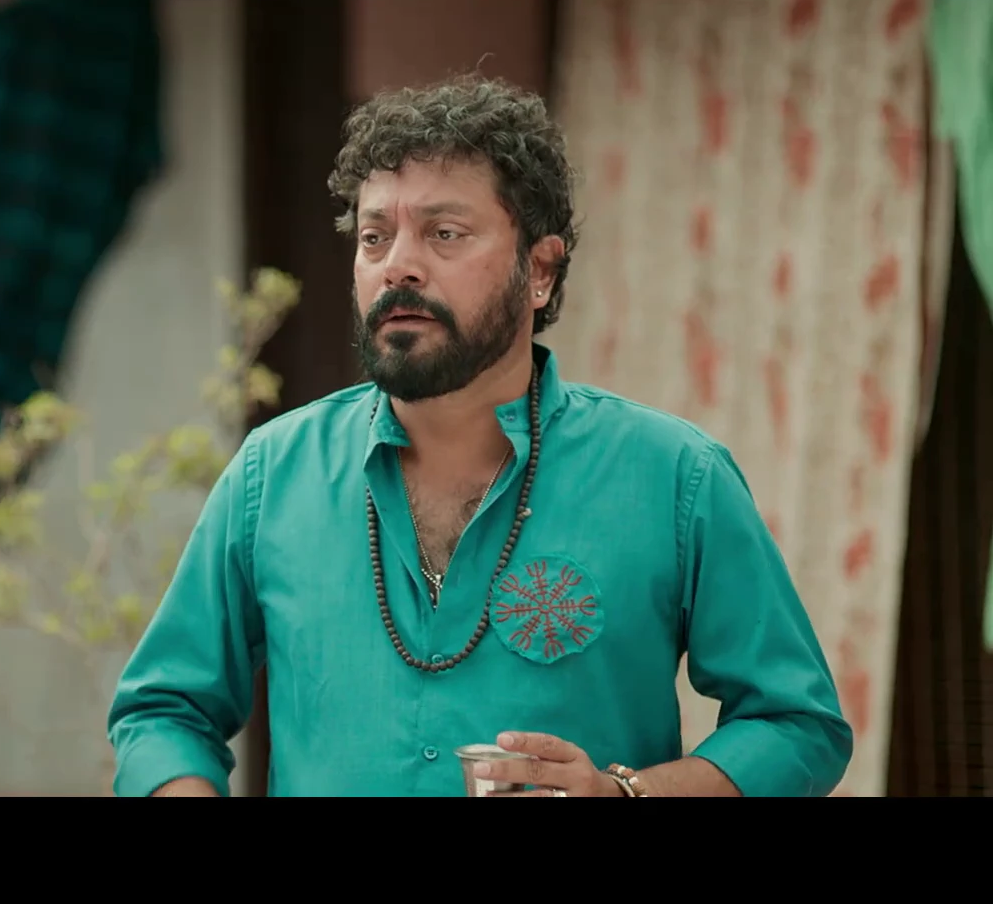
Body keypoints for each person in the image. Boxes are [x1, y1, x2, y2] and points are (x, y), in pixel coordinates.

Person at [106, 74, 852, 798]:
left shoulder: (673, 478)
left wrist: (627, 793)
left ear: (540, 269)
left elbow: (796, 725)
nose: (399, 266)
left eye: (445, 233)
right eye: (374, 238)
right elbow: (164, 711)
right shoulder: (274, 474)